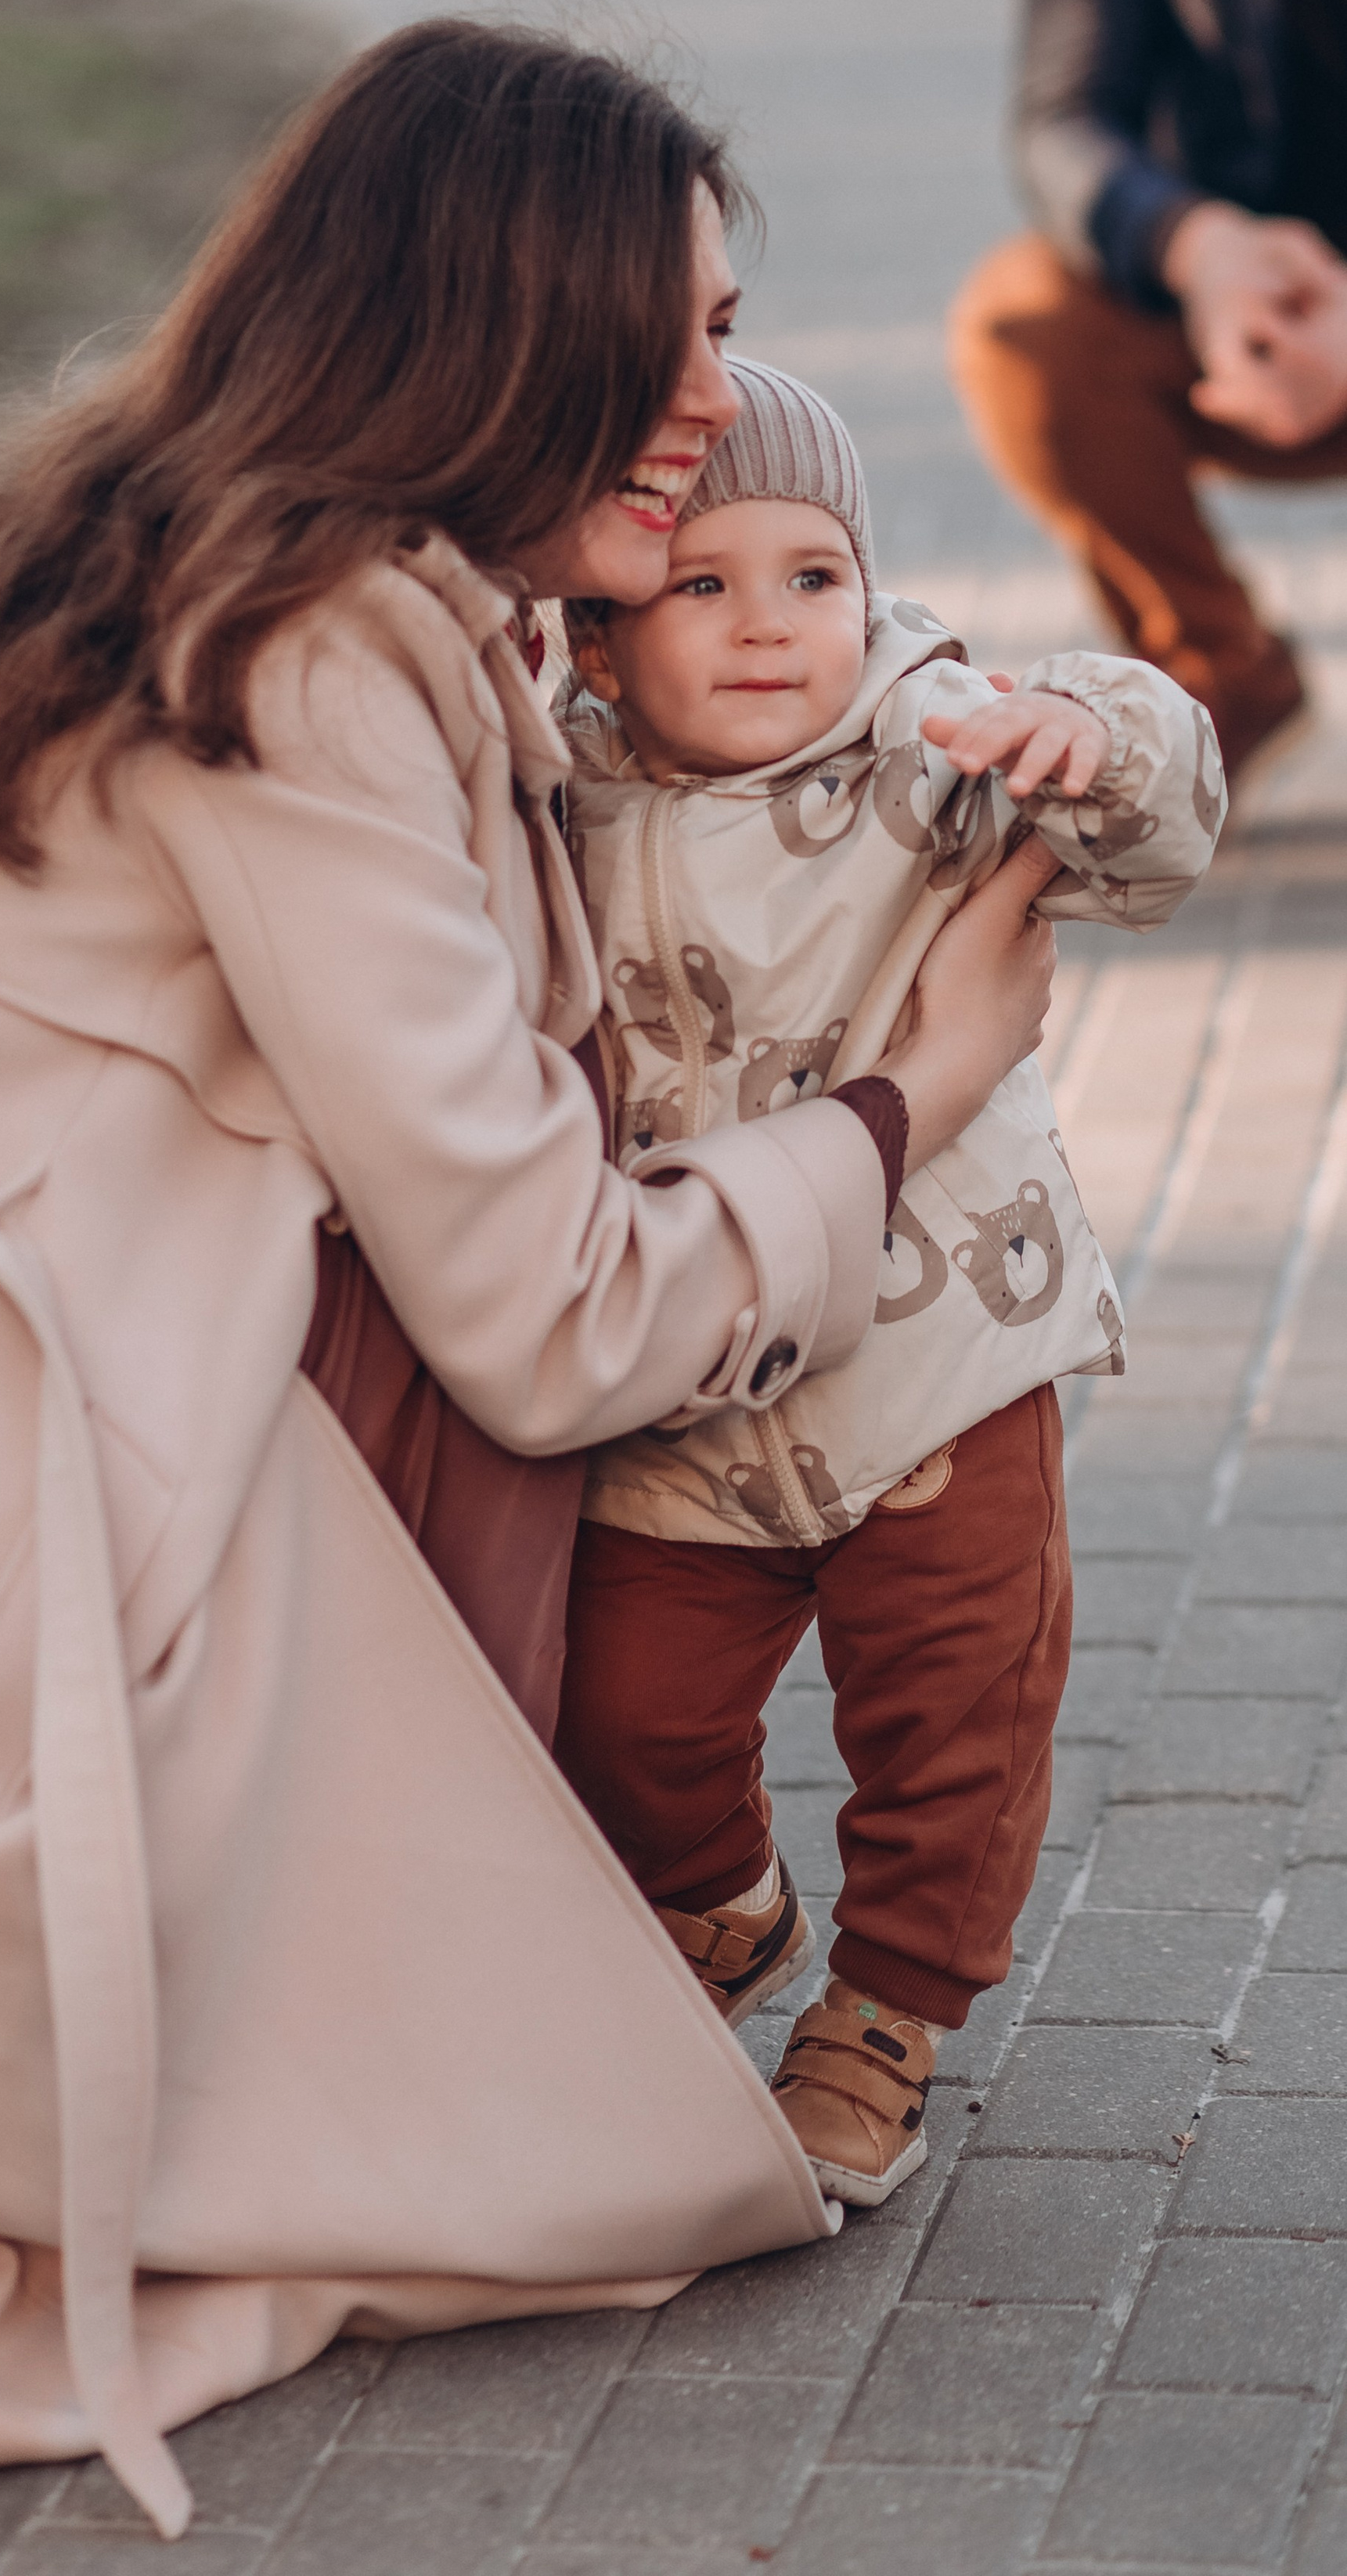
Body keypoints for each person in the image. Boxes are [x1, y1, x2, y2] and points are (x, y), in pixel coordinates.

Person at [0, 25, 1057, 2559]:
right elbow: (552, 1318)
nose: (721, 400)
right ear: (506, 330)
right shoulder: (311, 650)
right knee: (575, 2160)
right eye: (675, 334)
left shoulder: (145, 535)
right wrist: (905, 1098)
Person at [553, 361, 1219, 2209]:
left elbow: (1149, 840)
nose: (771, 626)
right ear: (597, 647)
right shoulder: (552, 793)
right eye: (702, 586)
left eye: (812, 575)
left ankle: (885, 2014)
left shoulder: (934, 751)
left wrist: (1099, 739)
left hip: (932, 1356)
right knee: (618, 1713)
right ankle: (718, 1901)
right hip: (682, 1371)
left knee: (953, 1712)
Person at [949, 0, 1347, 785]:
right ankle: (1221, 679)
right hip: (1229, 308)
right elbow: (1060, 116)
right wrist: (1200, 248)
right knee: (1021, 328)